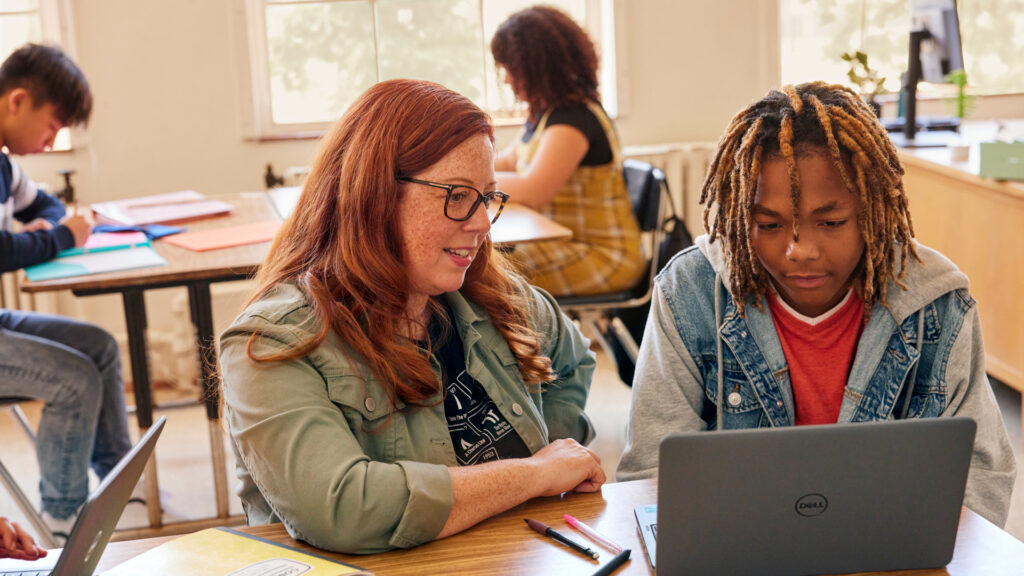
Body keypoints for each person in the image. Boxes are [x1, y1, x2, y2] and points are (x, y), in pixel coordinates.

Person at [219, 79, 604, 555]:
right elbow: (342, 510)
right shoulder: (274, 341)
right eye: (457, 195)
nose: (482, 222)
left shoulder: (489, 295)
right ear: (375, 196)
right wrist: (532, 474)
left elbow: (573, 361)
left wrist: (552, 456)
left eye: (487, 197)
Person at [616, 81, 1017, 527]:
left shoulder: (937, 305)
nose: (799, 250)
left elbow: (982, 474)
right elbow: (650, 474)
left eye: (831, 222)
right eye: (768, 225)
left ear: (873, 210)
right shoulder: (689, 294)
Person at [0, 43, 133, 541]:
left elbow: (52, 207)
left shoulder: (6, 167)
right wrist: (55, 239)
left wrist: (42, 231)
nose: (52, 140)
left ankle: (123, 485)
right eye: (52, 125)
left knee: (98, 346)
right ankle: (62, 523)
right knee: (74, 379)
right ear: (17, 101)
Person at [491, 5, 644, 297]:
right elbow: (510, 161)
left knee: (488, 275)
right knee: (487, 265)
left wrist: (468, 185)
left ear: (535, 67)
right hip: (566, 244)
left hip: (601, 256)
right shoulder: (545, 113)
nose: (508, 80)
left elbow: (534, 189)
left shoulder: (574, 118)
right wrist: (460, 171)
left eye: (510, 68)